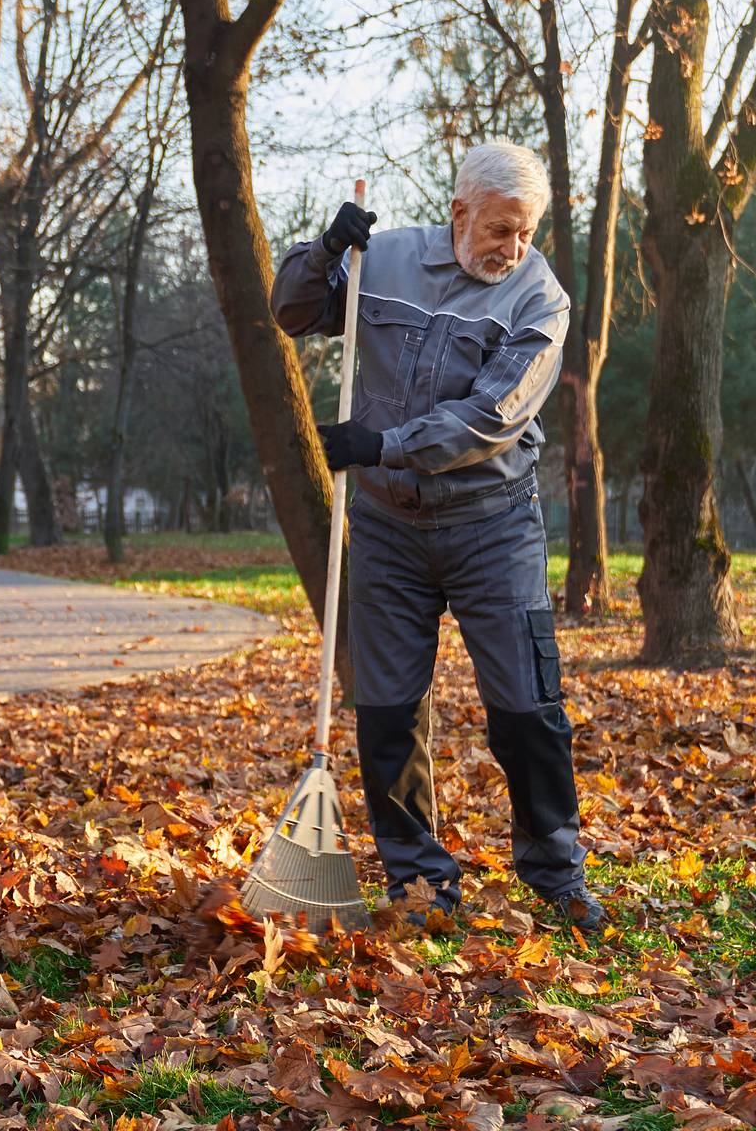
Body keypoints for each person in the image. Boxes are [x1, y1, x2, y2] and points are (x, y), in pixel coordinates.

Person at [270, 141, 605, 931]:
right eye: (499, 230)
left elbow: (495, 415)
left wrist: (381, 444)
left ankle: (557, 874)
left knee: (528, 708)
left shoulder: (539, 299)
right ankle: (419, 884)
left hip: (493, 527)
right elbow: (291, 311)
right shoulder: (379, 259)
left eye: (524, 233)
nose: (512, 249)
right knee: (387, 710)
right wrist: (323, 252)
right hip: (388, 530)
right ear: (459, 214)